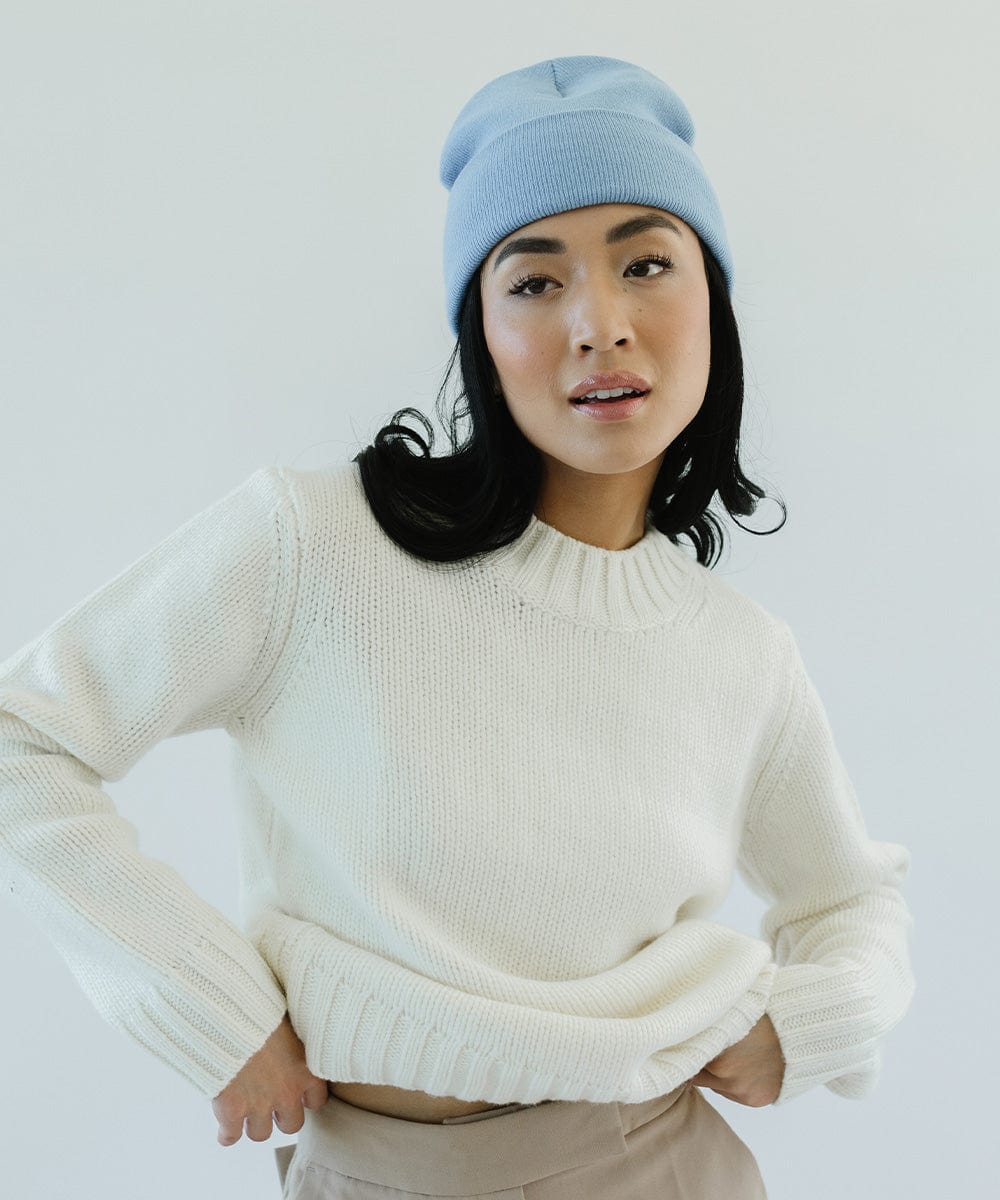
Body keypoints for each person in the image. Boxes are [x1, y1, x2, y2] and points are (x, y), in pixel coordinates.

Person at [0, 55, 914, 1199]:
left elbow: (848, 899)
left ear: (711, 305)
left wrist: (817, 1018)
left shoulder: (740, 653)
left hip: (659, 1162)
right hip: (376, 1168)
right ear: (479, 331)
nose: (599, 324)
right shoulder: (318, 545)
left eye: (645, 264)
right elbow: (26, 739)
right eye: (533, 281)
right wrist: (207, 1008)